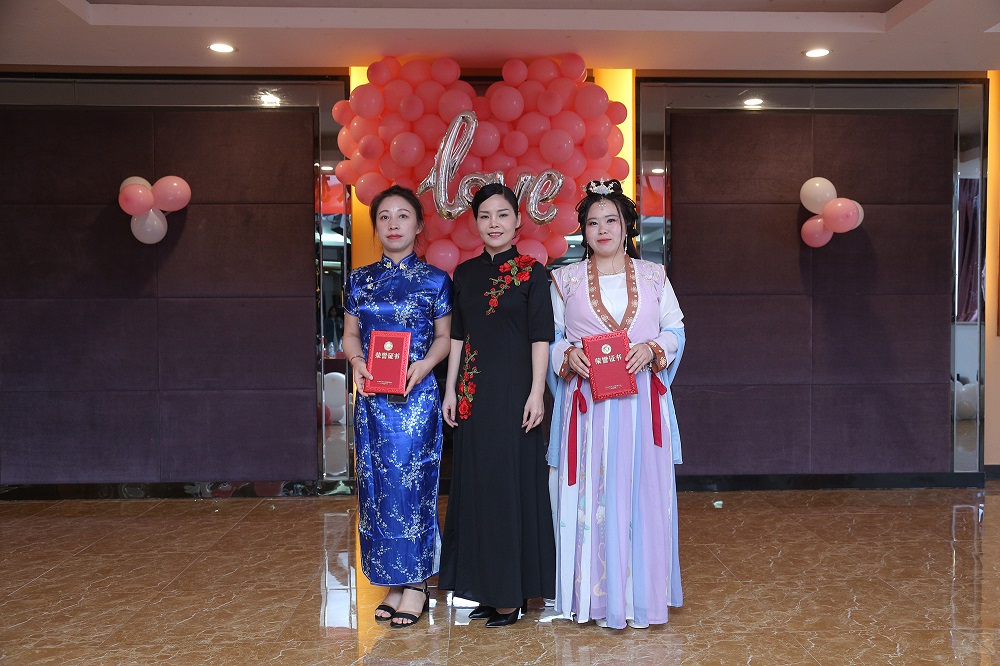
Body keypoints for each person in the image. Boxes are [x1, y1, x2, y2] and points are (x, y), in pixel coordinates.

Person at [547, 179, 685, 630]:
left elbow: (675, 330)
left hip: (641, 405)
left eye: (611, 220)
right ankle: (593, 597)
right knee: (592, 496)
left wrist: (653, 348)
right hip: (587, 408)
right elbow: (550, 340)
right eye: (593, 222)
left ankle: (640, 596)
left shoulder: (654, 276)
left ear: (627, 225)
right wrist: (567, 356)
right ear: (583, 230)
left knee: (641, 493)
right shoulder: (564, 280)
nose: (603, 229)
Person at [440, 183, 556, 627]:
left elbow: (541, 336)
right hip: (473, 395)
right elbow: (457, 336)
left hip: (514, 395)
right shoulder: (465, 274)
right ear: (475, 222)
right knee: (478, 488)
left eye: (503, 214)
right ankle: (488, 590)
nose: (494, 223)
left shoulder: (532, 272)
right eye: (485, 215)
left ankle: (512, 594)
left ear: (518, 220)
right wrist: (450, 389)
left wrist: (536, 392)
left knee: (510, 488)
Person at [341, 185, 453, 628]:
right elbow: (351, 335)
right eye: (384, 216)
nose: (393, 224)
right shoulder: (358, 280)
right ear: (376, 226)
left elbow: (445, 338)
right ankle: (392, 581)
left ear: (418, 225)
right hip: (372, 399)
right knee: (376, 489)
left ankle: (418, 582)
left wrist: (424, 366)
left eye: (403, 215)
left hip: (415, 398)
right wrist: (357, 363)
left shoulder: (436, 280)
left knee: (413, 486)